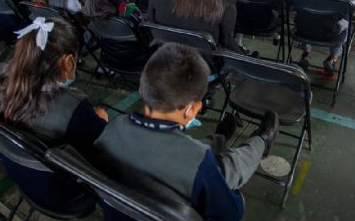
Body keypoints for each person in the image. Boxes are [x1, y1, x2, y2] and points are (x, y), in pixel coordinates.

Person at [94, 42, 279, 221]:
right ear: (191, 109)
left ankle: (220, 138)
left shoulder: (113, 129)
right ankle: (260, 142)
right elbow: (232, 212)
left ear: (142, 89)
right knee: (225, 168)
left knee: (199, 156)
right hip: (192, 176)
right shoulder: (197, 160)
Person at [0, 17, 106, 217]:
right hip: (66, 193)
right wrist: (100, 120)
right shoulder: (73, 106)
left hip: (26, 179)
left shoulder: (5, 85)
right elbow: (99, 146)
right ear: (68, 61)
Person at [295, 0, 348, 74]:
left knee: (306, 17)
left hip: (302, 31)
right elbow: (343, 18)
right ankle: (333, 57)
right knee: (346, 24)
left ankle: (305, 52)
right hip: (329, 35)